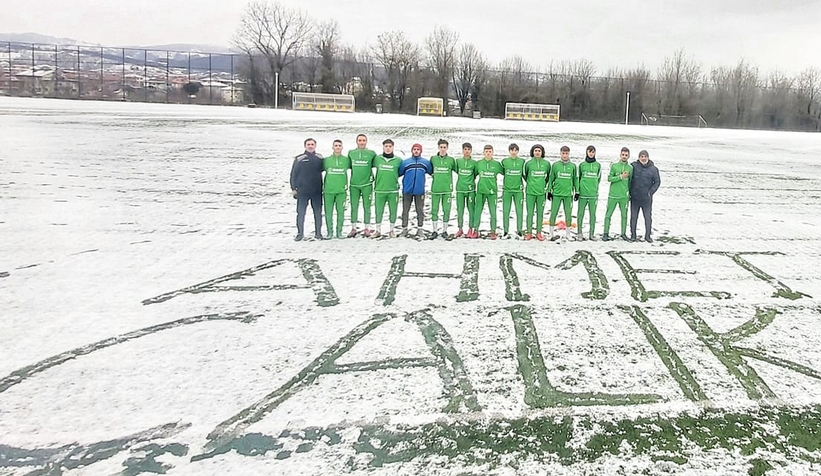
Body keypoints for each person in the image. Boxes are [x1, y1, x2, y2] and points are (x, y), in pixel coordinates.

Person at [289, 138, 325, 241]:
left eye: (312, 144)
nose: (310, 146)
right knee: (301, 213)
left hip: (317, 191)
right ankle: (300, 233)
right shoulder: (299, 159)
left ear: (315, 146)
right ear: (305, 146)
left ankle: (318, 233)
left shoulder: (320, 158)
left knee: (318, 213)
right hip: (302, 191)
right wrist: (293, 189)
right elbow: (293, 175)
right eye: (308, 144)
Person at [372, 139, 403, 238]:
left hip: (393, 190)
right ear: (383, 147)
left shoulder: (398, 160)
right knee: (378, 210)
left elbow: (401, 172)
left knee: (393, 211)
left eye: (390, 146)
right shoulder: (377, 159)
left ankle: (391, 230)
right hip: (380, 189)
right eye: (386, 146)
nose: (388, 148)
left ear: (393, 147)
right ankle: (377, 230)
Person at [399, 143, 433, 237]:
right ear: (412, 151)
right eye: (414, 149)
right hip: (407, 191)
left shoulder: (425, 163)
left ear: (421, 151)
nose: (416, 151)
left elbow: (432, 173)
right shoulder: (406, 162)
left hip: (419, 191)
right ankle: (404, 229)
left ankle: (420, 229)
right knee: (405, 210)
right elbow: (399, 173)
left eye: (418, 149)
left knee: (420, 210)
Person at [347, 134, 377, 237]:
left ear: (366, 142)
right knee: (354, 206)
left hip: (367, 184)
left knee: (367, 207)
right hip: (354, 184)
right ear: (357, 141)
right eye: (360, 140)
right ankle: (353, 228)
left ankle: (367, 228)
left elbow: (376, 164)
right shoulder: (351, 153)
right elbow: (350, 166)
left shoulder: (371, 153)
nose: (362, 142)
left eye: (364, 140)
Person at [547, 145, 578, 241]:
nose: (565, 155)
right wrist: (549, 191)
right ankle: (551, 233)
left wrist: (577, 191)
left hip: (568, 194)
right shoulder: (555, 165)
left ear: (569, 154)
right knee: (553, 213)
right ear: (560, 153)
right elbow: (551, 178)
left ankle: (568, 234)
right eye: (563, 153)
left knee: (568, 214)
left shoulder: (573, 166)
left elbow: (575, 179)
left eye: (566, 153)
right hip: (556, 193)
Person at [629, 149, 661, 243]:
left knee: (647, 217)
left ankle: (647, 236)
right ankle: (633, 235)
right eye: (641, 156)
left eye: (645, 157)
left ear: (648, 157)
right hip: (635, 197)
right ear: (639, 158)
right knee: (634, 217)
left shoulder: (653, 169)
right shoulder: (633, 166)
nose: (643, 158)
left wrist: (650, 192)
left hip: (646, 198)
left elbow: (657, 182)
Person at [473, 144, 504, 240]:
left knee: (493, 212)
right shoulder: (478, 163)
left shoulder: (497, 164)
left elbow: (504, 173)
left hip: (492, 192)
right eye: (486, 152)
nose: (488, 153)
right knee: (477, 211)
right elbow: (474, 174)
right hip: (481, 191)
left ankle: (493, 231)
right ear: (483, 153)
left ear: (492, 153)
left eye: (490, 152)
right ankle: (476, 230)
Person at [602, 147, 633, 241]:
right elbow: (609, 178)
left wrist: (629, 194)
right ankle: (605, 233)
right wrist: (620, 176)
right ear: (620, 155)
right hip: (613, 195)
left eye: (626, 155)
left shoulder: (630, 168)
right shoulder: (614, 166)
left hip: (624, 196)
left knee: (624, 215)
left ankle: (623, 233)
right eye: (623, 155)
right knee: (608, 215)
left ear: (628, 156)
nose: (624, 156)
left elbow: (630, 182)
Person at [323, 139, 351, 239]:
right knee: (328, 212)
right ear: (333, 147)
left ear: (342, 147)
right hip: (328, 191)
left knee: (341, 212)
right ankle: (330, 232)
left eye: (339, 145)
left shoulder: (347, 160)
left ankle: (339, 231)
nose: (338, 147)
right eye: (336, 145)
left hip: (341, 191)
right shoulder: (326, 160)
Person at [429, 139, 456, 239]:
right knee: (434, 210)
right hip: (435, 189)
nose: (443, 149)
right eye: (441, 147)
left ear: (447, 148)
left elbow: (457, 170)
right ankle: (434, 230)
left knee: (446, 210)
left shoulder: (451, 160)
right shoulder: (433, 159)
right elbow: (429, 170)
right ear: (438, 147)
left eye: (445, 147)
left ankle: (445, 230)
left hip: (447, 189)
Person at [523, 144, 550, 241]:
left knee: (540, 213)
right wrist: (531, 183)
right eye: (535, 151)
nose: (537, 152)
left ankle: (539, 233)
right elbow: (525, 175)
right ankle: (529, 233)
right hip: (530, 192)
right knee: (530, 213)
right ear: (532, 152)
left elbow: (548, 177)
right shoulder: (528, 163)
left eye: (539, 150)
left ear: (542, 152)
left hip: (541, 193)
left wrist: (543, 185)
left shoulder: (546, 164)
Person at [576, 145, 602, 241]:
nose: (591, 153)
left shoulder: (598, 165)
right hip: (583, 194)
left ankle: (591, 234)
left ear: (595, 153)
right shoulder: (582, 165)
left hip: (593, 195)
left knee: (592, 215)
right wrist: (578, 191)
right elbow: (578, 178)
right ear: (586, 152)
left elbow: (598, 179)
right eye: (589, 152)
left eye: (593, 152)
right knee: (580, 214)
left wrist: (594, 188)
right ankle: (579, 233)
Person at [501, 143, 526, 239]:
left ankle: (519, 231)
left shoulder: (522, 162)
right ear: (509, 151)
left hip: (518, 191)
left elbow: (525, 175)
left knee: (519, 211)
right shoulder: (504, 161)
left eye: (516, 150)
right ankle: (505, 231)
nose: (514, 152)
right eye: (512, 150)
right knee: (506, 211)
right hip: (507, 190)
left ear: (518, 151)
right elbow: (503, 173)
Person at [454, 142, 478, 238]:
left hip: (470, 190)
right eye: (465, 149)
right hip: (460, 189)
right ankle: (460, 229)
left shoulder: (474, 163)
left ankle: (470, 228)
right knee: (460, 210)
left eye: (468, 149)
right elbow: (456, 171)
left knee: (471, 209)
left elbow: (475, 174)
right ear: (462, 150)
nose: (467, 151)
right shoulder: (458, 161)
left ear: (471, 151)